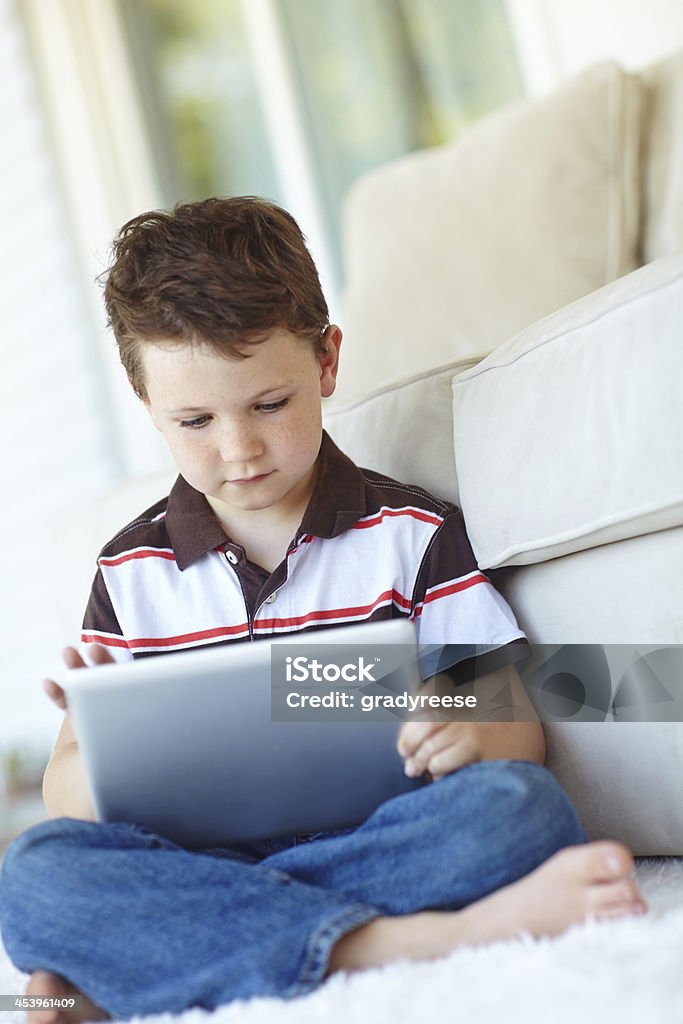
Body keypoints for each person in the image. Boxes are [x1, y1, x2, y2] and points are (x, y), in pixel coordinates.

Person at [0, 198, 646, 1023]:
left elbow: (510, 724)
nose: (239, 449)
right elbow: (67, 790)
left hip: (374, 838)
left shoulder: (409, 533)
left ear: (327, 361)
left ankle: (153, 962)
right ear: (142, 395)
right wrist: (96, 745)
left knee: (519, 812)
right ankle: (412, 943)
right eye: (195, 421)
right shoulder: (131, 571)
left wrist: (467, 733)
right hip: (198, 858)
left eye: (270, 404)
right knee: (36, 877)